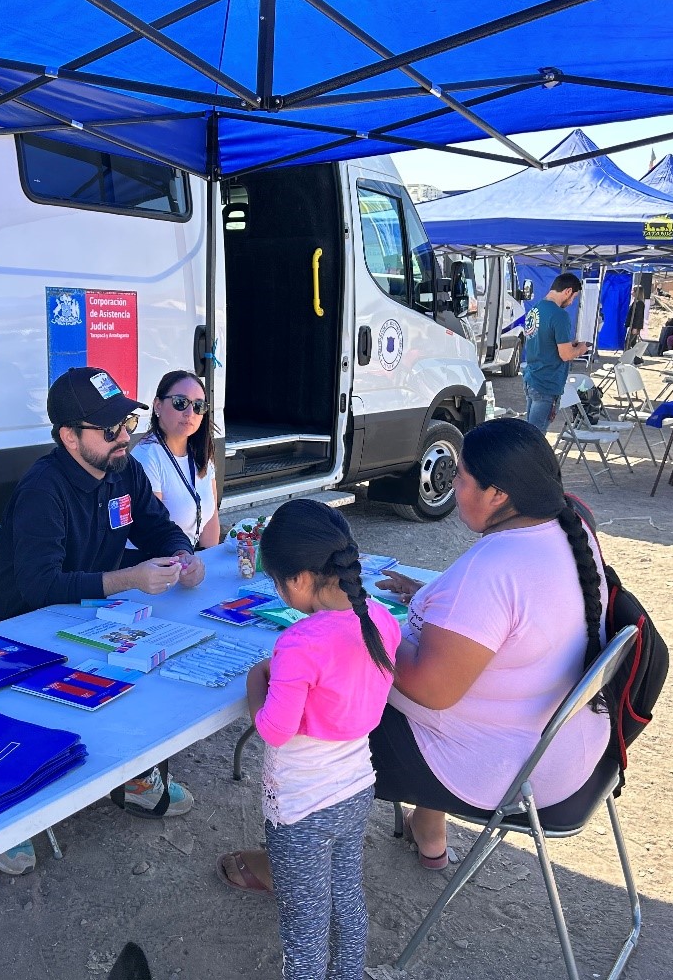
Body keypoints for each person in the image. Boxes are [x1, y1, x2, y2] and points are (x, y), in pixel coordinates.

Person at [218, 418, 611, 896]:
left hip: (497, 768)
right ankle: (430, 831)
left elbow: (431, 690)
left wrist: (356, 628)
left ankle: (291, 863)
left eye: (463, 477)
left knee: (320, 726)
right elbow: (512, 625)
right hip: (562, 747)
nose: (453, 482)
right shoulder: (567, 529)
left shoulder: (494, 569)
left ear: (498, 495)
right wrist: (431, 600)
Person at [0, 366, 207, 875]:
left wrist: (181, 554)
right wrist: (129, 578)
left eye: (126, 423)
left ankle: (133, 775)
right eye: (110, 431)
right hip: (21, 632)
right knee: (33, 722)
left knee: (153, 677)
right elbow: (41, 586)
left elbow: (157, 526)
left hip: (95, 617)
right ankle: (3, 814)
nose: (125, 437)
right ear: (69, 437)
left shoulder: (124, 469)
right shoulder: (44, 487)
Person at [233, 499, 400, 980]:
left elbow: (274, 730)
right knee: (346, 899)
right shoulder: (381, 622)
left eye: (276, 580)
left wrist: (256, 682)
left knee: (303, 926)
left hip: (301, 807)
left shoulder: (300, 643)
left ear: (300, 580)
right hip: (356, 789)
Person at [129, 370, 221, 549]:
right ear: (158, 406)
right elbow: (152, 532)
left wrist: (210, 560)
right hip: (157, 563)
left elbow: (211, 518)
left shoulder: (200, 451)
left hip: (187, 561)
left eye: (198, 406)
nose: (190, 413)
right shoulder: (146, 457)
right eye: (180, 402)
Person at [522, 273, 588, 434]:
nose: (572, 302)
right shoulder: (559, 315)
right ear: (568, 291)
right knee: (535, 438)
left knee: (529, 433)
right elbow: (566, 354)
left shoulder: (535, 309)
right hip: (547, 382)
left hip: (532, 377)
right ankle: (529, 460)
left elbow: (543, 340)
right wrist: (581, 349)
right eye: (573, 297)